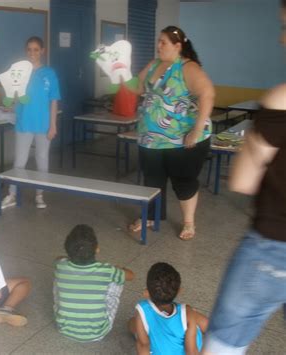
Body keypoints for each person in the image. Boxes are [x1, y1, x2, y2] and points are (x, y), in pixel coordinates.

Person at [203, 2, 286, 352]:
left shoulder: (282, 98)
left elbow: (242, 182)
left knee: (222, 346)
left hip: (274, 248)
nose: (282, 38)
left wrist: (250, 144)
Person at [128, 26, 215, 240]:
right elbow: (137, 87)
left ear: (178, 46)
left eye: (163, 42)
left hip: (181, 139)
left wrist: (196, 130)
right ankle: (150, 216)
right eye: (158, 41)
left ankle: (188, 222)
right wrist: (117, 73)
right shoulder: (153, 64)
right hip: (151, 138)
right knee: (152, 179)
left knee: (182, 181)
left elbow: (208, 94)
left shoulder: (187, 67)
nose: (158, 46)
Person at [0, 36, 61, 210]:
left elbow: (54, 101)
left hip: (43, 125)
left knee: (42, 159)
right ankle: (12, 194)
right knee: (19, 161)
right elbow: (12, 94)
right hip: (24, 122)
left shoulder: (49, 73)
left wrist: (53, 125)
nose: (32, 53)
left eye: (36, 49)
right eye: (29, 49)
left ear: (42, 51)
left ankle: (40, 194)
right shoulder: (19, 71)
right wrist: (8, 102)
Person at [54, 224, 135, 342]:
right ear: (97, 248)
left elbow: (58, 259)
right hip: (98, 332)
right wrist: (119, 269)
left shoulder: (60, 264)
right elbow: (131, 275)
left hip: (64, 329)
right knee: (117, 279)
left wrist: (65, 259)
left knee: (58, 277)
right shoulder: (107, 270)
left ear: (67, 249)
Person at [128, 262, 208, 355]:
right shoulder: (187, 312)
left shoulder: (142, 309)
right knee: (193, 316)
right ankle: (216, 332)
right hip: (187, 325)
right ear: (179, 291)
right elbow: (191, 351)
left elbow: (143, 345)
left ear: (146, 293)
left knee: (133, 323)